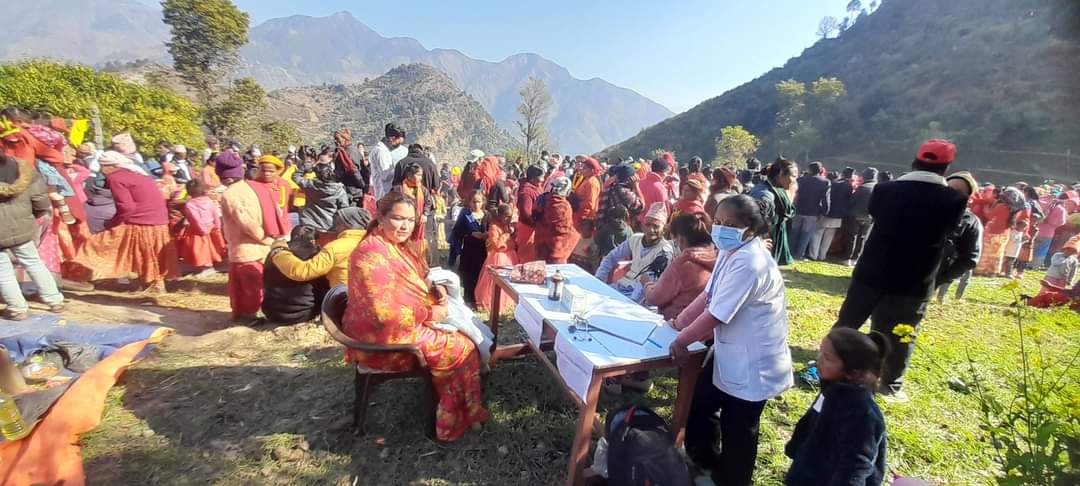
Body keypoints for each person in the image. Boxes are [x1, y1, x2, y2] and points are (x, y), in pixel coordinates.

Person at [342, 191, 488, 442]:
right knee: (463, 346)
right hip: (382, 340)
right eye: (398, 218)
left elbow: (408, 284)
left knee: (467, 331)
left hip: (395, 326)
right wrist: (432, 312)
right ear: (380, 216)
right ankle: (449, 420)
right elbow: (384, 313)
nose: (405, 226)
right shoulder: (371, 255)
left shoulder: (390, 246)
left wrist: (433, 289)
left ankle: (464, 408)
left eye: (410, 220)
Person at [670, 194, 793, 486]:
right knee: (700, 401)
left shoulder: (751, 262)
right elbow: (708, 295)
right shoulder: (729, 252)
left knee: (739, 427)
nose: (721, 229)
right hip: (731, 352)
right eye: (719, 222)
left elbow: (717, 314)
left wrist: (682, 341)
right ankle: (705, 460)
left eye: (730, 224)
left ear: (750, 228)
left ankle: (733, 480)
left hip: (755, 361)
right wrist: (678, 323)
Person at [834, 140, 967, 402]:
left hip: (872, 270)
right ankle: (890, 384)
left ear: (915, 160)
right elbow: (951, 231)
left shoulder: (885, 190)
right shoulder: (954, 199)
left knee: (849, 321)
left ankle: (833, 362)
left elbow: (876, 216)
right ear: (946, 166)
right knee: (901, 334)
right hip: (914, 279)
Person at [784, 328, 889, 486]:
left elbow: (856, 464)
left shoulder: (861, 413)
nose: (818, 360)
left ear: (852, 372)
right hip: (811, 473)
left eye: (827, 358)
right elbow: (813, 420)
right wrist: (797, 447)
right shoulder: (832, 390)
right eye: (820, 352)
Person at [72, 151, 178, 292]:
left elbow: (126, 206)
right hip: (159, 220)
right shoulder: (139, 175)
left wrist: (113, 222)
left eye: (103, 166)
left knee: (98, 245)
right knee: (150, 253)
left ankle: (80, 276)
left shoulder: (116, 178)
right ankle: (154, 283)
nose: (102, 171)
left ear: (112, 166)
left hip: (141, 221)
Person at [220, 155, 292, 322]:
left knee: (249, 288)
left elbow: (246, 222)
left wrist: (265, 239)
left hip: (247, 248)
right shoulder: (253, 187)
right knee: (257, 284)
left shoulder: (232, 194)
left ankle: (251, 317)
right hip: (263, 246)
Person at [0, 154, 64, 320]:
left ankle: (17, 309)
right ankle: (54, 300)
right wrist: (31, 215)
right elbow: (41, 201)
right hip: (23, 226)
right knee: (33, 261)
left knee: (2, 271)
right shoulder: (24, 170)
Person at [271, 207, 370, 289]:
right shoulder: (376, 243)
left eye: (338, 224)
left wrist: (279, 251)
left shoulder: (336, 247)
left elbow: (302, 272)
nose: (335, 228)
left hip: (345, 300)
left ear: (345, 225)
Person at [643, 212, 717, 320]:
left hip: (674, 323)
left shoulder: (683, 264)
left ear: (680, 238)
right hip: (700, 324)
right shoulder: (714, 257)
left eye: (674, 239)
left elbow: (655, 298)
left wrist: (647, 283)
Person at [595, 202, 673, 300]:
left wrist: (632, 303)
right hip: (622, 286)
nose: (651, 230)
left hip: (641, 296)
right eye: (648, 225)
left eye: (656, 226)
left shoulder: (665, 251)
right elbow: (611, 257)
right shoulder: (635, 239)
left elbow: (648, 280)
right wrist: (599, 280)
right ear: (642, 226)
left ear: (664, 229)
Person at [262, 225, 329, 325]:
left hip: (271, 312)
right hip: (302, 314)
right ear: (313, 240)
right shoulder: (316, 254)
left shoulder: (276, 251)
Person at [934, 172, 983, 303]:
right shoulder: (922, 210)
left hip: (922, 288)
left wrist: (938, 279)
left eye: (958, 191)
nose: (950, 194)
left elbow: (970, 258)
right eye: (948, 189)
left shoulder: (970, 221)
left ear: (968, 197)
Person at [751, 158, 799, 265]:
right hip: (759, 247)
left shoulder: (777, 190)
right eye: (793, 176)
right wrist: (756, 243)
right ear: (781, 174)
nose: (795, 180)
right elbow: (749, 222)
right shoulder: (764, 195)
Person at [474, 203, 518, 313]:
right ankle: (491, 301)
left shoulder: (507, 226)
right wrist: (506, 235)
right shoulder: (494, 227)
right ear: (500, 215)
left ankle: (508, 301)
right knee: (494, 281)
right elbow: (496, 245)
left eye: (510, 216)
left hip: (510, 255)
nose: (508, 219)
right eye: (506, 216)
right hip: (499, 257)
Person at [177, 178, 226, 275]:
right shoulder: (209, 201)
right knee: (212, 247)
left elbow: (196, 219)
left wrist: (202, 230)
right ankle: (211, 263)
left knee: (201, 250)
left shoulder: (190, 205)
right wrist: (217, 226)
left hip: (197, 230)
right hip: (211, 227)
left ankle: (207, 266)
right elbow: (215, 214)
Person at [449, 190, 488, 306]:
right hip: (469, 250)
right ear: (469, 203)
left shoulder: (487, 215)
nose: (476, 204)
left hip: (483, 250)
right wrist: (470, 233)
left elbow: (492, 228)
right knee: (469, 275)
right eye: (474, 202)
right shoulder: (465, 215)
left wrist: (487, 234)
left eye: (479, 202)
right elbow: (457, 230)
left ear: (483, 202)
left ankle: (478, 298)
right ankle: (468, 299)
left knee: (480, 274)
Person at [595, 164, 645, 256]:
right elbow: (640, 207)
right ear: (630, 178)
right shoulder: (626, 192)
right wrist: (636, 187)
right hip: (621, 232)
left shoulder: (608, 189)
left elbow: (600, 213)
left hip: (606, 231)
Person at [293, 162, 349, 237]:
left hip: (309, 222)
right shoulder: (339, 191)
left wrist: (303, 168)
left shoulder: (310, 185)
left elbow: (295, 177)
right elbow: (344, 209)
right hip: (329, 225)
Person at [534, 176, 580, 264]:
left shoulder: (543, 198)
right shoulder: (564, 205)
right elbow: (563, 229)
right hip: (556, 247)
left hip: (540, 242)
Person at [790, 161, 831, 260]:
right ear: (821, 170)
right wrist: (824, 212)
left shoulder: (800, 180)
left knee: (794, 232)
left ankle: (790, 252)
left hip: (798, 209)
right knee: (806, 234)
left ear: (808, 169)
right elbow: (826, 200)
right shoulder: (825, 182)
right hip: (813, 212)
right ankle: (799, 254)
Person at [811, 166, 853, 261]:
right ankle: (822, 256)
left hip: (827, 213)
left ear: (842, 174)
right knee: (829, 237)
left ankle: (813, 254)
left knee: (818, 234)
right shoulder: (849, 186)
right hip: (839, 215)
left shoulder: (833, 184)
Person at [846, 168, 878, 266]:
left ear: (864, 176)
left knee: (853, 237)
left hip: (856, 215)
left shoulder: (862, 188)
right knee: (862, 238)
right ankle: (856, 258)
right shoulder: (878, 188)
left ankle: (848, 258)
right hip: (869, 217)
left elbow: (851, 201)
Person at [369, 123, 407, 199]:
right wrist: (401, 169)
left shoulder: (385, 150)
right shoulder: (381, 152)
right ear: (392, 139)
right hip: (384, 194)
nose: (398, 146)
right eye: (398, 143)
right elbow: (385, 175)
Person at [515, 165, 544, 262]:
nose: (543, 179)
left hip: (534, 227)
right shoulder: (526, 192)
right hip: (527, 229)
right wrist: (536, 224)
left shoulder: (536, 187)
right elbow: (525, 213)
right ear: (533, 178)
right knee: (526, 258)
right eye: (541, 177)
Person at [331, 128, 367, 204]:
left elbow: (353, 171)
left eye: (337, 139)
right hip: (357, 192)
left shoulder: (345, 154)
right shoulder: (354, 150)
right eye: (335, 139)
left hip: (350, 194)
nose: (335, 141)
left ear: (344, 139)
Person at [571, 157, 602, 237]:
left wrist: (576, 204)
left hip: (584, 218)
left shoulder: (592, 183)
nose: (582, 169)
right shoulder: (587, 179)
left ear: (592, 170)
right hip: (578, 216)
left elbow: (590, 204)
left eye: (585, 168)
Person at [1036, 193, 1069, 267]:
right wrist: (1053, 224)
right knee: (1042, 249)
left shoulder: (1042, 205)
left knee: (1033, 247)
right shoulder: (1061, 210)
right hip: (1048, 233)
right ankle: (1036, 264)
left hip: (1037, 229)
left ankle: (1026, 262)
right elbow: (1062, 222)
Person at [639, 158, 670, 225]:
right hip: (652, 226)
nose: (666, 175)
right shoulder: (660, 188)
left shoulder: (640, 183)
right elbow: (666, 211)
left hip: (638, 222)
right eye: (666, 172)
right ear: (661, 172)